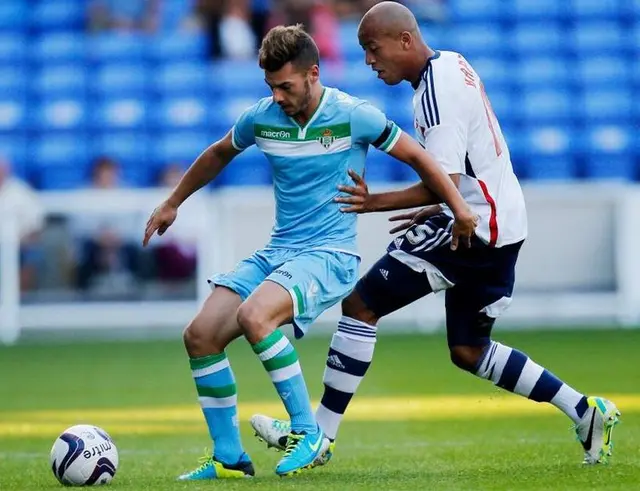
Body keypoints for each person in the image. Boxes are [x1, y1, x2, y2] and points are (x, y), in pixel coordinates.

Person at [250, 2, 621, 467]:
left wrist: (376, 202)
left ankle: (319, 435)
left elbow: (439, 175)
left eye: (372, 48)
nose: (369, 60)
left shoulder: (433, 96)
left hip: (472, 227)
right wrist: (438, 203)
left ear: (404, 40)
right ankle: (585, 410)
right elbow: (462, 166)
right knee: (468, 350)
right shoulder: (452, 63)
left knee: (362, 304)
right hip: (502, 224)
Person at [143, 23, 476, 480]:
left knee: (255, 317)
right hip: (279, 251)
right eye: (270, 87)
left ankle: (308, 431)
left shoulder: (353, 115)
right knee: (200, 335)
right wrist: (172, 202)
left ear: (313, 73)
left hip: (329, 254)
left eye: (285, 86)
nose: (277, 96)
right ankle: (228, 457)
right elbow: (219, 152)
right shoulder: (261, 118)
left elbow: (421, 158)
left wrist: (458, 208)